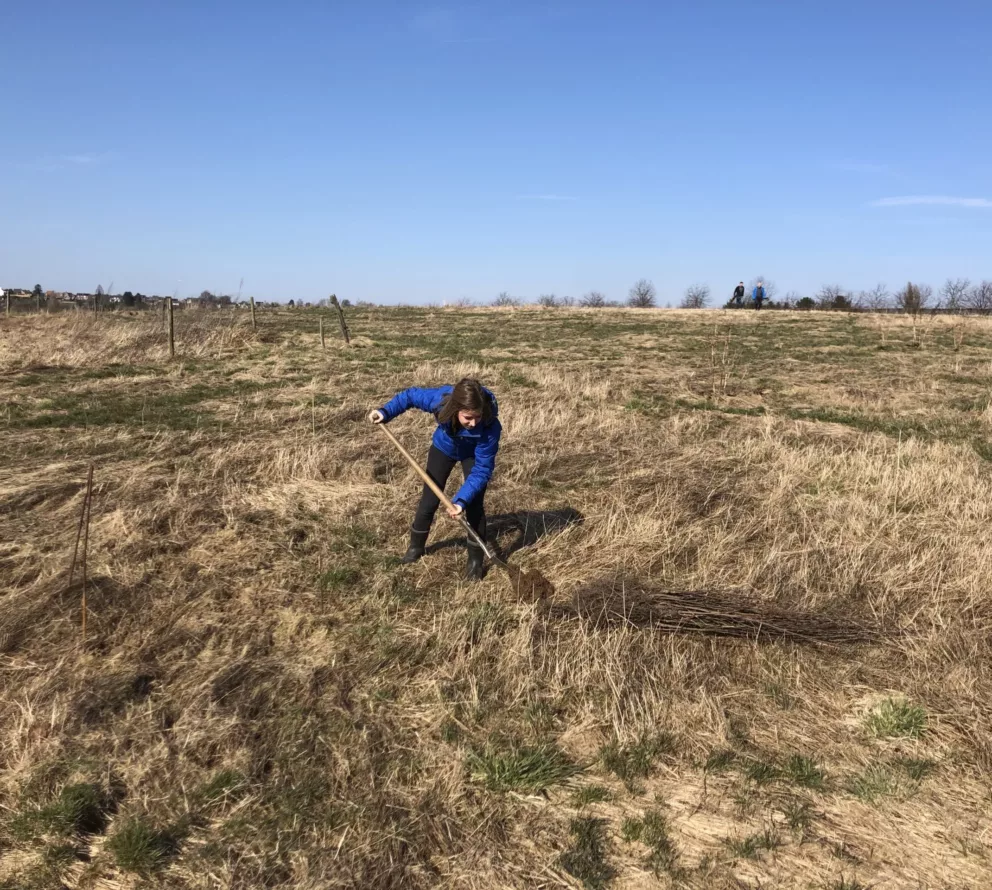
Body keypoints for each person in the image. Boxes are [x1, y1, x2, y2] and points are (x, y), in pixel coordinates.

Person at [368, 378, 501, 580]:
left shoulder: (490, 426)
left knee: (474, 505)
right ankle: (416, 548)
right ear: (455, 408)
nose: (473, 423)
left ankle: (475, 561)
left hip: (473, 454)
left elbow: (482, 470)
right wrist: (385, 412)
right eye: (468, 417)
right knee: (429, 500)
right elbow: (410, 396)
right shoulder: (440, 400)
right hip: (444, 448)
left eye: (477, 417)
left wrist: (461, 501)